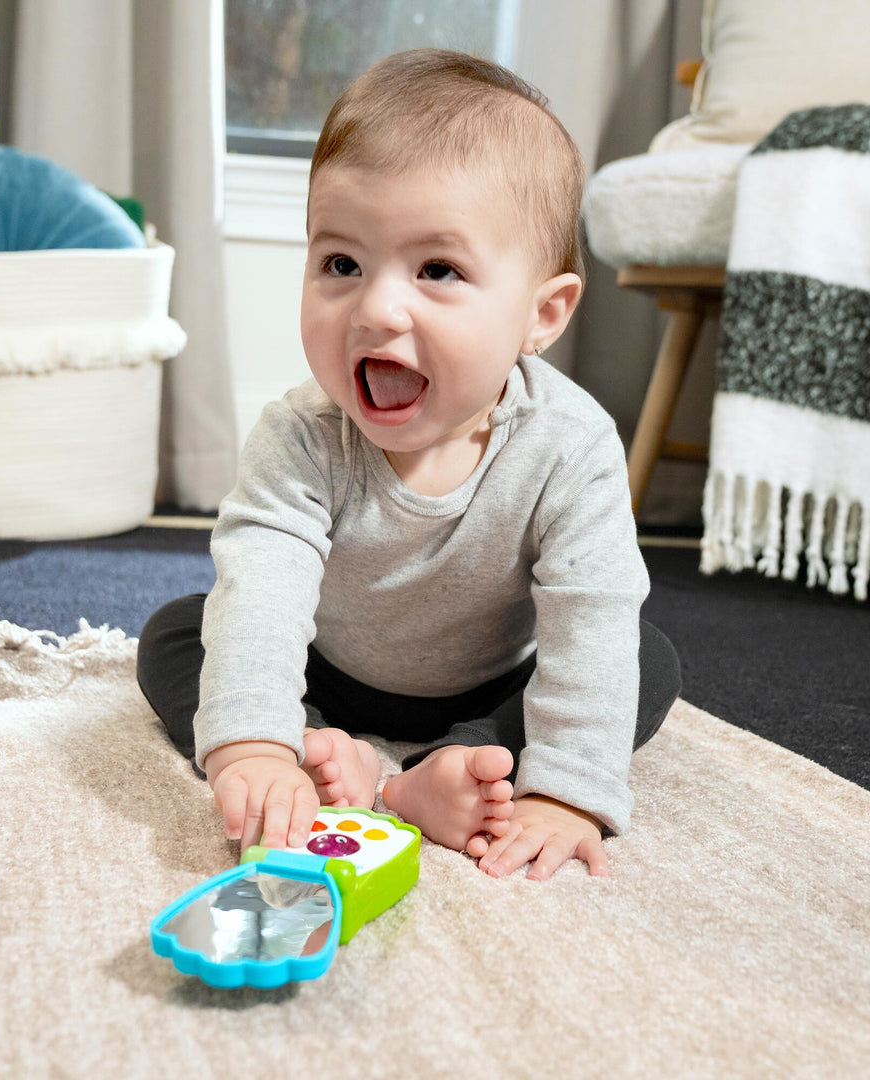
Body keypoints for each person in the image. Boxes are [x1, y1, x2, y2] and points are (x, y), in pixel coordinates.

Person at [137, 48, 681, 881]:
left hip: (487, 686)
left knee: (638, 656)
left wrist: (565, 792)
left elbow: (590, 609)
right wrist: (258, 746)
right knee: (182, 631)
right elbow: (265, 588)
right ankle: (327, 753)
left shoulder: (571, 444)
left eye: (438, 271)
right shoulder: (303, 436)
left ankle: (453, 771)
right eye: (342, 264)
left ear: (543, 314)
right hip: (329, 667)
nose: (377, 308)